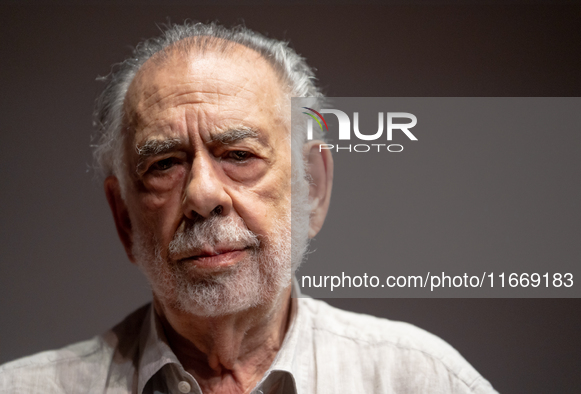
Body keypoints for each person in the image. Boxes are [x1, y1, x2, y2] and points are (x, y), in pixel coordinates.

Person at [0, 22, 497, 394]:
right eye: (165, 164)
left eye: (239, 156)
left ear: (313, 189)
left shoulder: (421, 380)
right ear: (125, 219)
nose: (202, 194)